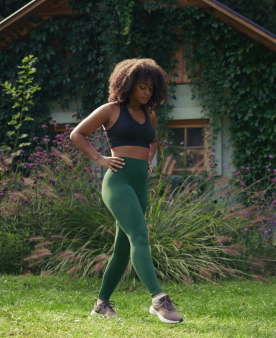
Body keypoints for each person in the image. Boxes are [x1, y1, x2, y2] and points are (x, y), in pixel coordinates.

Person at [70, 58, 183, 323]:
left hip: (139, 185)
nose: (147, 92)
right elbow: (78, 134)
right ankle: (159, 300)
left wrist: (148, 160)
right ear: (129, 84)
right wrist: (100, 159)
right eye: (142, 86)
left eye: (151, 88)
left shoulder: (149, 116)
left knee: (122, 248)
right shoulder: (110, 110)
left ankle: (101, 305)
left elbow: (152, 141)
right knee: (140, 234)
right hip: (118, 182)